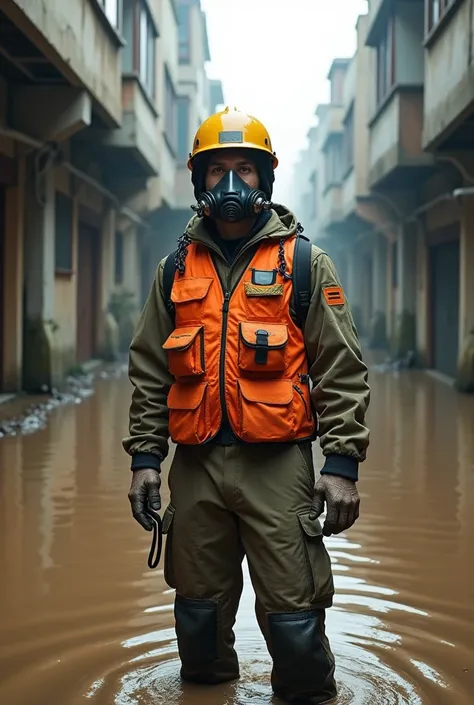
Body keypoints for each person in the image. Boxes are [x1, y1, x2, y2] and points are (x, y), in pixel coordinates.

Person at [123, 107, 370, 705]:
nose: (231, 184)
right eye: (217, 171)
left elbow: (341, 368)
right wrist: (145, 460)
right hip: (197, 464)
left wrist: (340, 467)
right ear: (199, 182)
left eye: (245, 170)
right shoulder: (175, 270)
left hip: (279, 466)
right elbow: (150, 369)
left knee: (294, 619)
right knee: (198, 623)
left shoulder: (305, 266)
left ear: (265, 179)